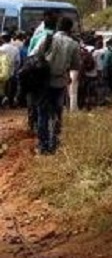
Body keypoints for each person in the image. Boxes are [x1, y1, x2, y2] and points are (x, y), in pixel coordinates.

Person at [36, 17, 82, 155]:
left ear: (57, 26)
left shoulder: (48, 38)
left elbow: (34, 55)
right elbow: (75, 65)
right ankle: (54, 144)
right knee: (57, 113)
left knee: (42, 113)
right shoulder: (73, 44)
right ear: (69, 29)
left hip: (43, 82)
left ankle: (43, 146)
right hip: (60, 83)